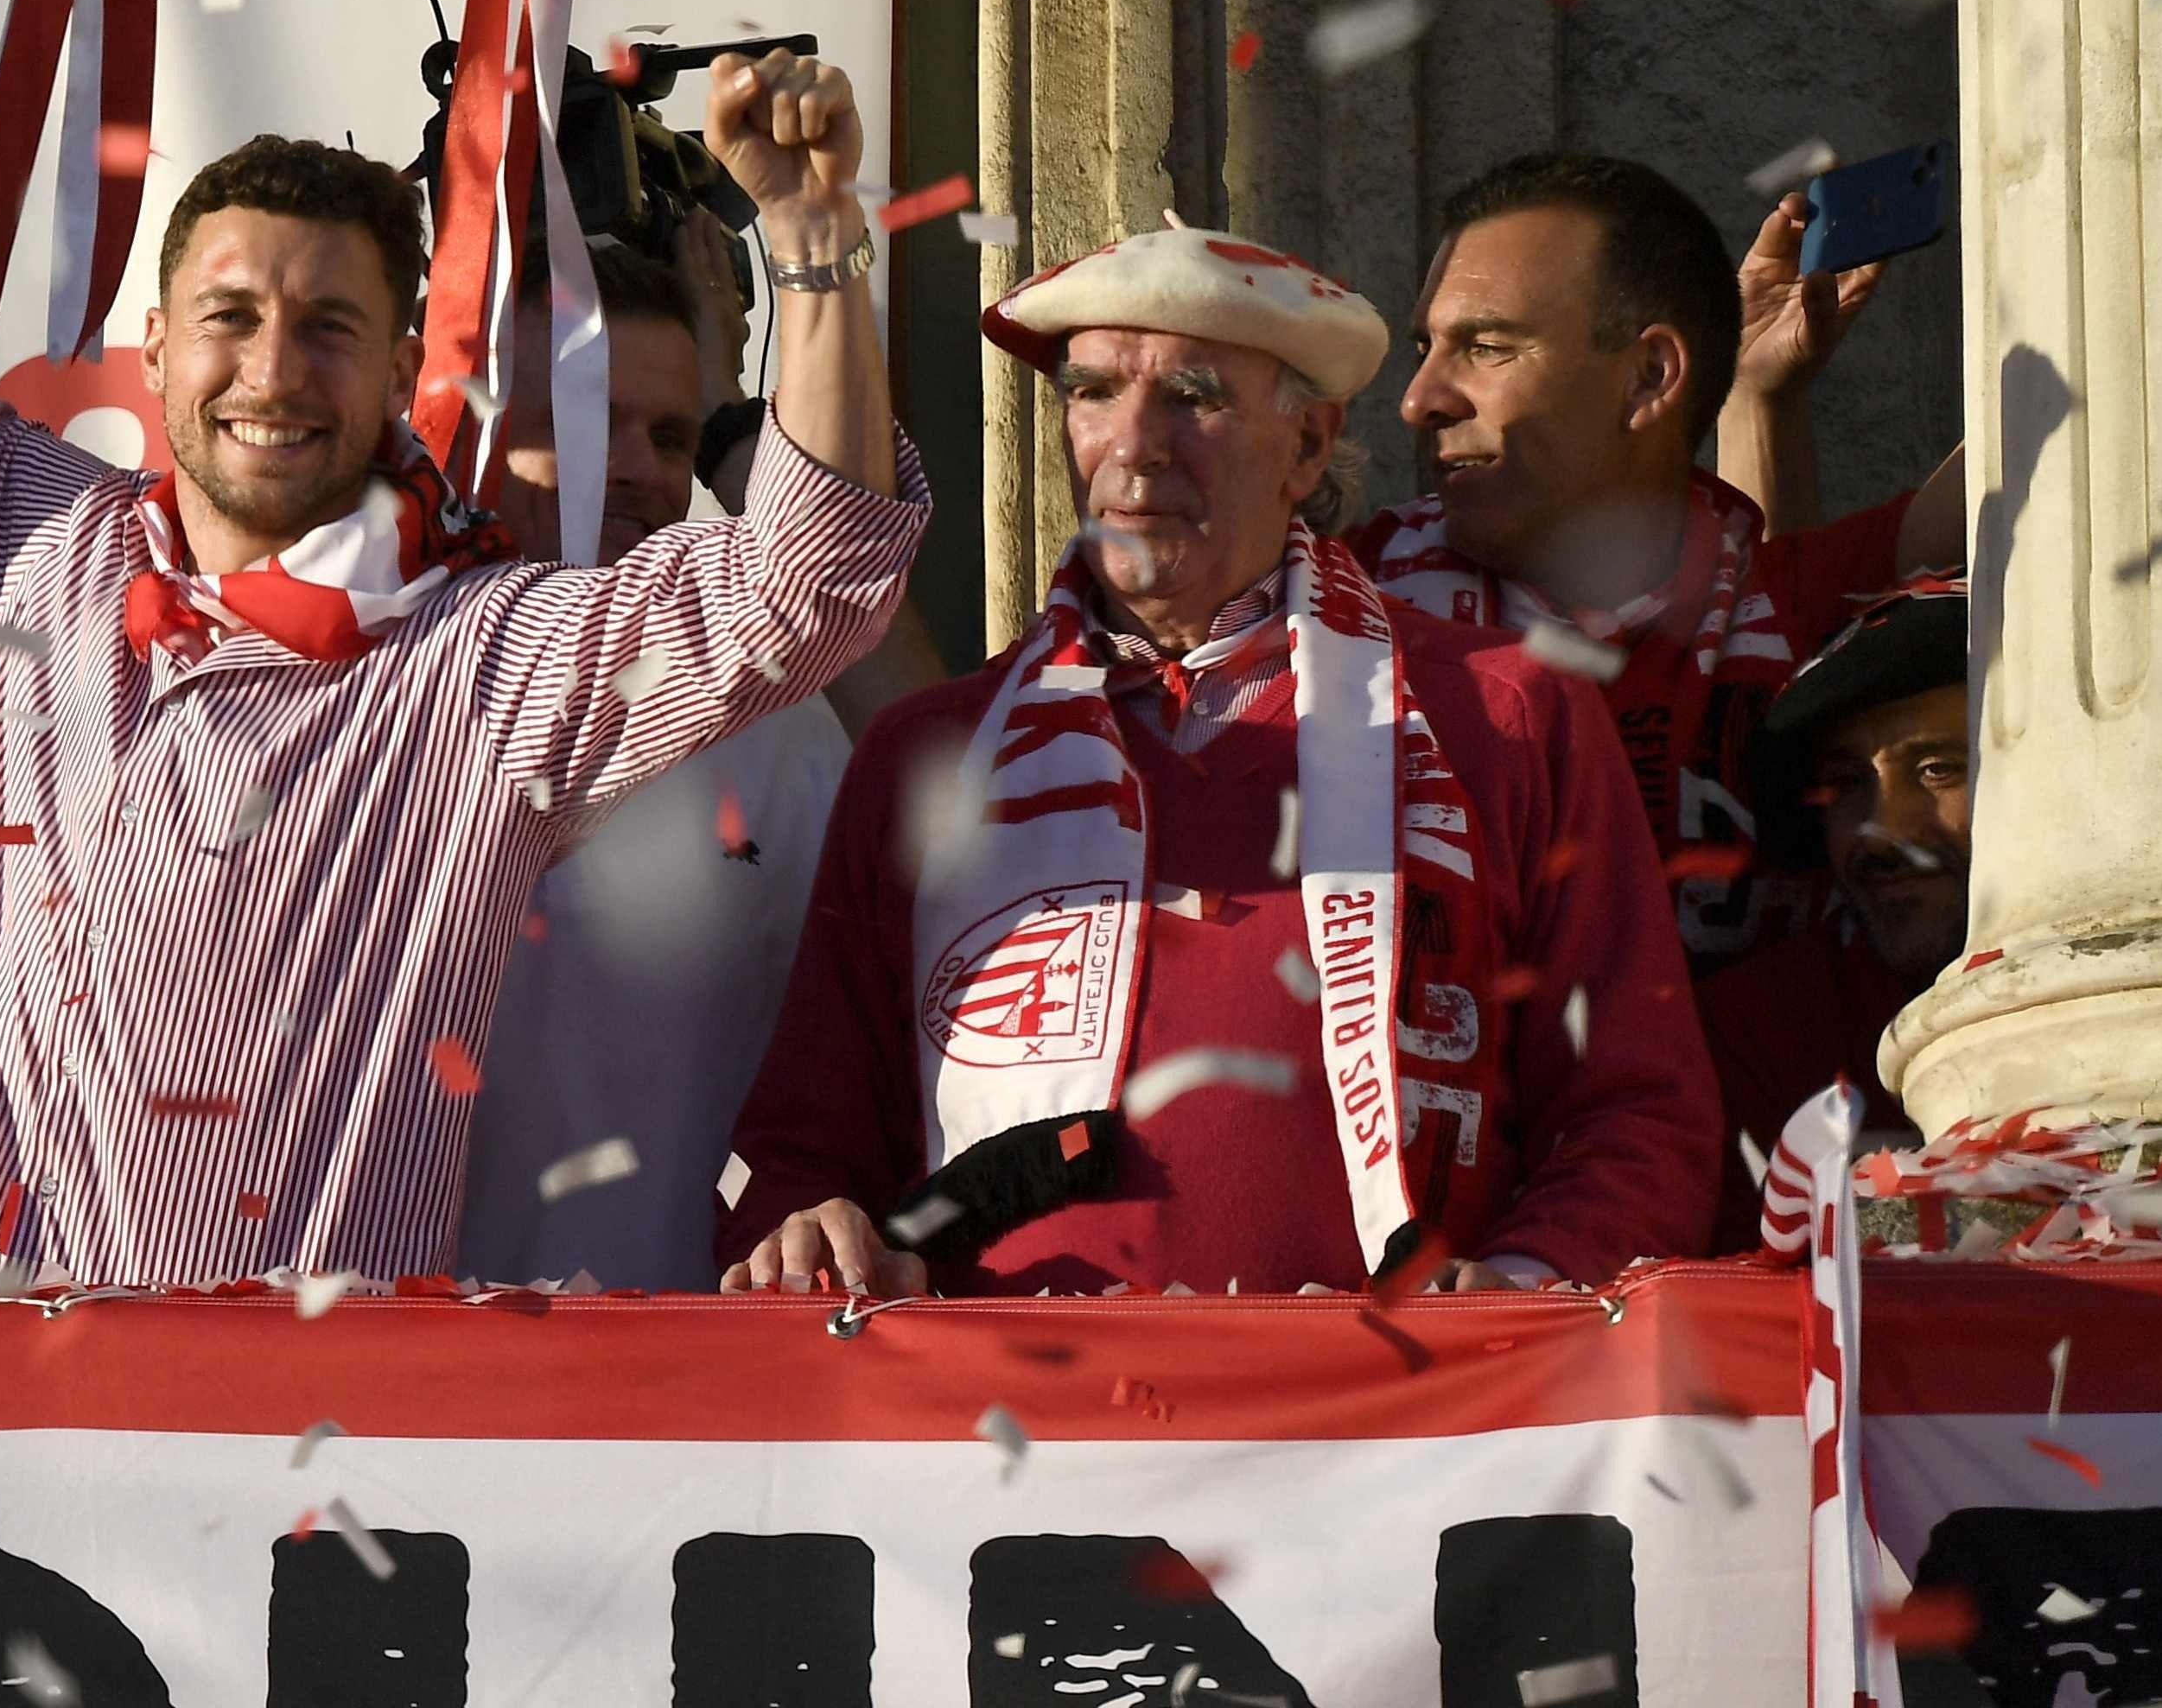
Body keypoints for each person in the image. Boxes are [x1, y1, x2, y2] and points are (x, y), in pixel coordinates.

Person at [0, 0, 927, 1291]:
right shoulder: (40, 539)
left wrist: (812, 249)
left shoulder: (488, 660)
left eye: (329, 329)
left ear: (400, 368)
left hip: (282, 1459)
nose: (272, 371)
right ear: (153, 350)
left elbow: (814, 578)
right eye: (229, 317)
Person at [722, 226, 1722, 1298]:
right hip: (1009, 1439)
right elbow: (804, 1150)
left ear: (1308, 446)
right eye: (1093, 392)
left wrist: (1526, 1289)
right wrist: (808, 1231)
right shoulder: (926, 752)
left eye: (1193, 395)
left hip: (1407, 1436)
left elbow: (1639, 1117)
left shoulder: (1508, 713)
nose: (1134, 444)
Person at [1363, 153, 1967, 964]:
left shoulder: (1783, 601)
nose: (1418, 399)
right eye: (1426, 347)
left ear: (1650, 375)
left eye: (1489, 347)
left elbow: (2052, 448)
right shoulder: (1335, 596)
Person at [455, 237, 853, 1290]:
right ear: (472, 433)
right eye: (585, 424)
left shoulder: (787, 729)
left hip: (691, 1380)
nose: (633, 465)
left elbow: (852, 1066)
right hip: (404, 1373)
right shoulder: (363, 689)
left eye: (670, 433)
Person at [1698, 578, 1968, 1240]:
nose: (1881, 829)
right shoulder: (1761, 1028)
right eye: (1847, 785)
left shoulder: (2152, 980)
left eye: (1938, 769)